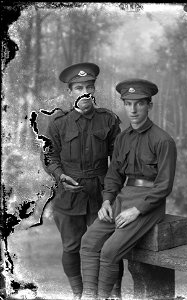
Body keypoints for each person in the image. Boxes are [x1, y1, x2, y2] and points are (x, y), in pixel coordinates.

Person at [80, 78, 177, 299]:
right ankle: (88, 295)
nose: (132, 110)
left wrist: (136, 211)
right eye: (128, 103)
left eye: (139, 103)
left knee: (109, 251)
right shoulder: (123, 138)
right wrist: (106, 201)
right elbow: (114, 175)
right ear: (124, 104)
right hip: (123, 198)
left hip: (148, 204)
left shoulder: (163, 140)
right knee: (88, 242)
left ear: (149, 105)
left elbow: (164, 186)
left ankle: (103, 296)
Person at [42, 63, 123, 299]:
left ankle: (113, 294)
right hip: (69, 195)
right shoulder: (58, 123)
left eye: (89, 86)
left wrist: (111, 193)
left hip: (101, 195)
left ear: (94, 89)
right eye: (79, 88)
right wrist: (59, 174)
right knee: (71, 247)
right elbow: (49, 155)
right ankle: (78, 294)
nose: (84, 92)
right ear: (70, 92)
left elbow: (117, 162)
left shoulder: (108, 120)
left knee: (108, 248)